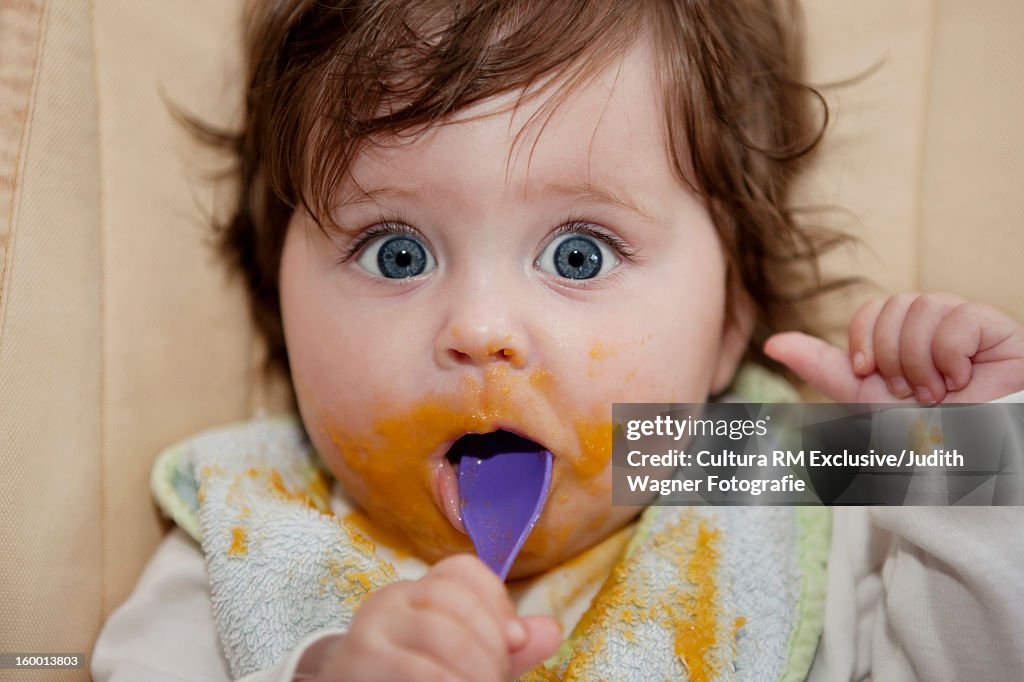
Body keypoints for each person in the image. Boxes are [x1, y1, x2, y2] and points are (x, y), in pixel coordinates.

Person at [92, 1, 1024, 680]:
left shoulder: (757, 468)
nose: (481, 329)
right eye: (397, 250)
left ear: (729, 321)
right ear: (279, 297)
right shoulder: (264, 533)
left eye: (579, 255)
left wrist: (971, 459)